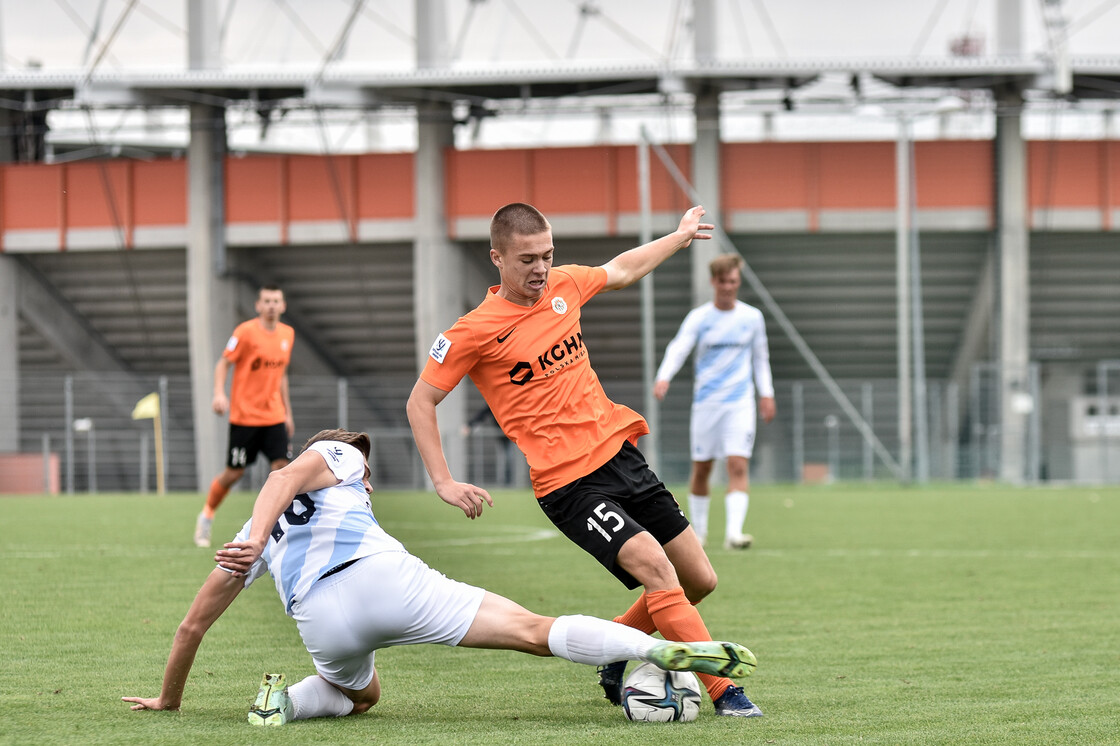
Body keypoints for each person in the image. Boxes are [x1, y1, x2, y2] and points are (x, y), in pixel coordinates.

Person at [123, 429, 757, 725]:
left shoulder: (246, 541)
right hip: (382, 580)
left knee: (358, 696)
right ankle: (653, 650)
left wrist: (170, 700)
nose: (365, 476)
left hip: (318, 618)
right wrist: (269, 523)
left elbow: (190, 626)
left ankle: (281, 704)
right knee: (531, 629)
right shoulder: (338, 455)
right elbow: (284, 474)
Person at [406, 203, 763, 718]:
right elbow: (421, 400)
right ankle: (724, 690)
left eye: (547, 256)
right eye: (528, 258)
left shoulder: (565, 287)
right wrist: (442, 480)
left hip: (621, 457)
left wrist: (679, 237)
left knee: (699, 580)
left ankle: (614, 653)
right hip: (568, 484)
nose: (540, 269)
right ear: (497, 259)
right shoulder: (472, 331)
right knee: (657, 570)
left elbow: (621, 268)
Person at [654, 254, 776, 550]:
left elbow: (760, 358)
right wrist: (664, 376)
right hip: (707, 403)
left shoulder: (751, 318)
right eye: (722, 281)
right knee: (703, 468)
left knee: (737, 464)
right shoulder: (700, 317)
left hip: (740, 404)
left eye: (733, 281)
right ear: (713, 282)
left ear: (738, 282)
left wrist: (767, 393)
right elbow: (679, 347)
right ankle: (700, 533)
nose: (727, 287)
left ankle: (734, 534)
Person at [194, 284, 295, 547]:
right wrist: (219, 393)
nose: (272, 305)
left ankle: (273, 527)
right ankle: (206, 515)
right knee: (234, 473)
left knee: (281, 469)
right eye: (267, 301)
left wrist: (287, 413)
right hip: (244, 418)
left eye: (276, 301)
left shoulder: (288, 335)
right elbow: (223, 362)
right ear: (258, 306)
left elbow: (282, 375)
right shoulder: (246, 333)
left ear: (282, 306)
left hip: (273, 416)